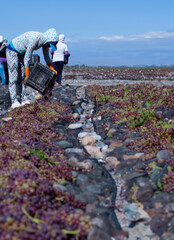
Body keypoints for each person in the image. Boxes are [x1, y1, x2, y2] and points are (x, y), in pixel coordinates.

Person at [6, 28, 58, 109]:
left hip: (21, 53)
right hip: (12, 50)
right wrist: (28, 75)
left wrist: (52, 69)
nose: (48, 47)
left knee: (22, 76)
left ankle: (23, 98)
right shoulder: (35, 38)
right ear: (47, 40)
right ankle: (14, 100)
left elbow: (47, 57)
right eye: (49, 45)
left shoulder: (45, 43)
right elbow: (27, 58)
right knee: (14, 76)